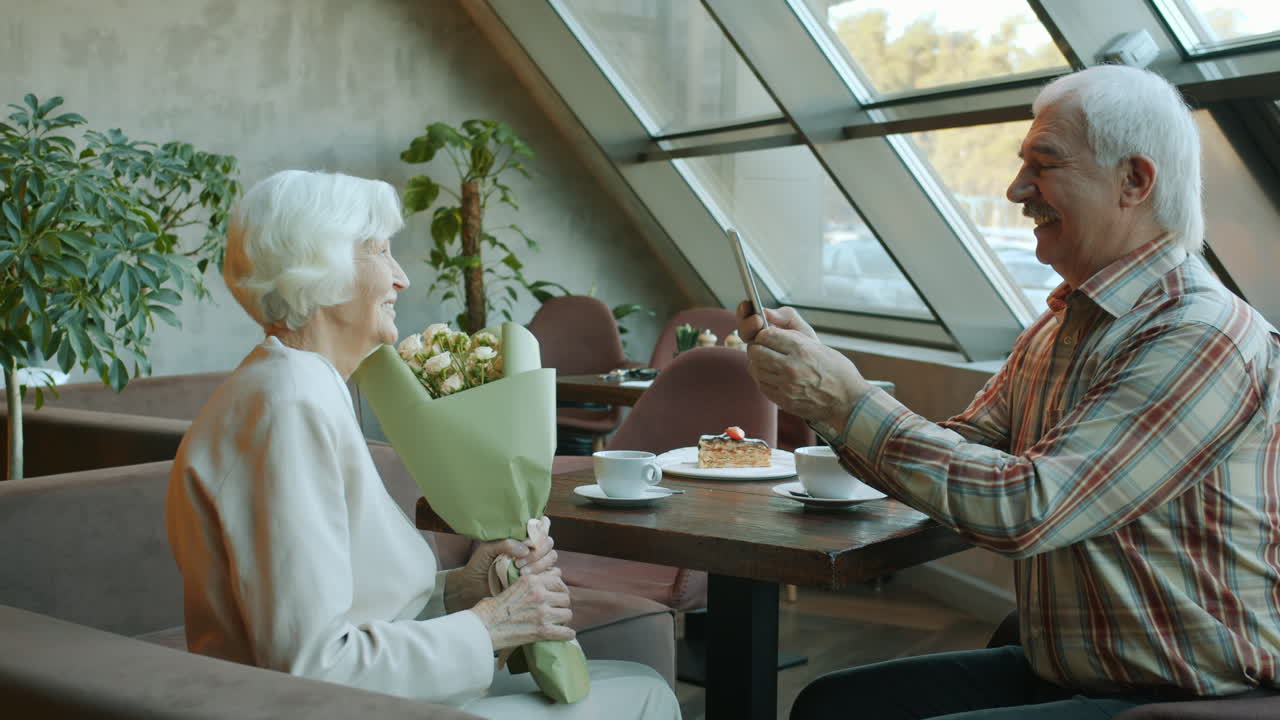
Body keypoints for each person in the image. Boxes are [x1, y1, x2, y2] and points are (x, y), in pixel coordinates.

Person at [740, 65, 1280, 719]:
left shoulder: (1201, 334)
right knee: (833, 705)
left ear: (1134, 181)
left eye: (1043, 165)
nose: (1016, 190)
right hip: (1076, 674)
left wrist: (846, 402)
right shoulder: (1060, 326)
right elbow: (964, 447)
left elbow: (1028, 507)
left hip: (1184, 696)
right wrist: (823, 391)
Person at [166, 170, 679, 718]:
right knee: (646, 693)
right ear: (324, 266)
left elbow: (350, 610)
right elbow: (311, 666)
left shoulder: (294, 385)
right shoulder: (290, 404)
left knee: (632, 678)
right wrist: (490, 626)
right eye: (382, 252)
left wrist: (460, 591)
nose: (401, 277)